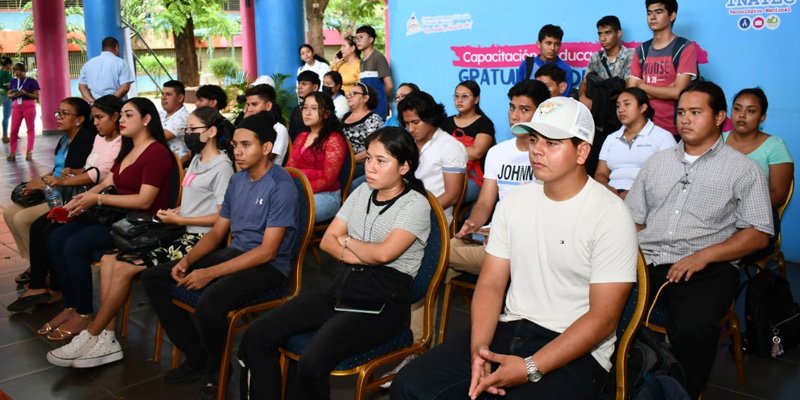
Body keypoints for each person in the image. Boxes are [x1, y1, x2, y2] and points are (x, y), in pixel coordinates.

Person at [392, 97, 638, 399]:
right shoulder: (515, 203)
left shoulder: (610, 214)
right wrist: (479, 350)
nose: (537, 150)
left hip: (576, 345)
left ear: (582, 152)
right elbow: (492, 283)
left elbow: (603, 319)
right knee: (411, 386)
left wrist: (530, 367)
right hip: (510, 327)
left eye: (552, 143)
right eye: (534, 139)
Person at [238, 127, 431, 400]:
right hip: (345, 286)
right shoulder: (363, 190)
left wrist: (348, 241)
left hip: (384, 302)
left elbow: (383, 255)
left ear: (404, 167)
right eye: (370, 159)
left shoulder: (415, 205)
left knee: (312, 361)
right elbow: (328, 241)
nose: (371, 167)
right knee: (258, 335)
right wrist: (356, 249)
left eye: (381, 161)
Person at [46, 106, 234, 368]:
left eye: (193, 130)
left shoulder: (223, 166)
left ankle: (93, 333)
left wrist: (181, 219)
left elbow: (221, 217)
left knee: (122, 268)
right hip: (179, 230)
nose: (187, 134)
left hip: (198, 239)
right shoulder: (196, 160)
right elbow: (195, 203)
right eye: (186, 129)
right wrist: (177, 212)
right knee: (111, 261)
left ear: (211, 132)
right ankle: (106, 339)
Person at [625, 81, 773, 399]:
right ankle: (624, 383)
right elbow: (633, 218)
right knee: (599, 309)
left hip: (707, 265)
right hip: (648, 259)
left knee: (692, 329)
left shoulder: (743, 170)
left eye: (695, 112)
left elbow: (759, 233)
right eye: (681, 113)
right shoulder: (658, 162)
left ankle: (683, 393)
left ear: (720, 117)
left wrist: (704, 256)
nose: (685, 120)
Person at [141, 111, 298, 399]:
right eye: (235, 144)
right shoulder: (238, 181)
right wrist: (187, 262)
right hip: (235, 253)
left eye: (246, 145)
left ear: (266, 148)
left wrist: (208, 273)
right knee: (155, 278)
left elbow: (267, 251)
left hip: (269, 267)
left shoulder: (281, 186)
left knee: (210, 303)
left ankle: (217, 369)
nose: (237, 151)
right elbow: (216, 233)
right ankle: (197, 355)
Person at [41, 98, 174, 343]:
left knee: (73, 245)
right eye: (121, 115)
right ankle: (70, 305)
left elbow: (145, 201)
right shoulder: (128, 147)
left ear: (146, 120)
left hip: (140, 225)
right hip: (116, 217)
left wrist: (98, 201)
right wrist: (81, 199)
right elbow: (107, 182)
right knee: (55, 236)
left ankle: (83, 312)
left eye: (128, 115)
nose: (121, 120)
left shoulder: (157, 153)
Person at [8, 95, 123, 313]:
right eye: (57, 113)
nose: (95, 122)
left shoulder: (102, 140)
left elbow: (99, 177)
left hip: (91, 201)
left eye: (98, 117)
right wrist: (60, 178)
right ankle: (45, 279)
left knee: (48, 230)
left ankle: (66, 298)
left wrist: (64, 181)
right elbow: (92, 171)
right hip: (80, 194)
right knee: (36, 223)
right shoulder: (97, 138)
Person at [449, 79, 550, 279]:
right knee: (449, 246)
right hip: (495, 234)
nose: (515, 116)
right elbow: (486, 202)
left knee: (437, 255)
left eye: (524, 109)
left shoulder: (548, 155)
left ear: (540, 113)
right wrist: (473, 222)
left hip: (530, 241)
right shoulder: (498, 152)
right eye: (512, 107)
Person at [627, 0, 698, 136]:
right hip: (644, 128)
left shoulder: (684, 48)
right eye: (649, 13)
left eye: (659, 12)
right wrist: (667, 89)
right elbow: (632, 92)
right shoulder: (641, 50)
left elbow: (679, 93)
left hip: (675, 130)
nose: (652, 17)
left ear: (672, 16)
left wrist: (643, 86)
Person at [399, 90, 466, 224]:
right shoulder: (406, 142)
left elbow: (452, 196)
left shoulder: (450, 147)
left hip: (433, 216)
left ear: (430, 118)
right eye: (407, 124)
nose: (411, 129)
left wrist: (417, 214)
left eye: (415, 122)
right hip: (402, 210)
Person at [594, 87, 675, 197]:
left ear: (643, 108)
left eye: (627, 104)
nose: (621, 109)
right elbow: (600, 174)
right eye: (618, 106)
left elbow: (670, 175)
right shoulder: (611, 138)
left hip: (648, 196)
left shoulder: (663, 137)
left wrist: (636, 194)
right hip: (611, 197)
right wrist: (607, 190)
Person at [724, 88, 794, 209]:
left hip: (757, 215)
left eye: (751, 111)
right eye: (737, 109)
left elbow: (778, 196)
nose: (741, 115)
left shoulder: (775, 147)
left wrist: (734, 207)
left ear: (762, 117)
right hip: (716, 216)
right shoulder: (717, 140)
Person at [286, 92, 347, 222]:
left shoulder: (334, 140)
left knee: (287, 211)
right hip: (297, 192)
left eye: (314, 108)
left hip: (326, 196)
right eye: (305, 107)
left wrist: (299, 192)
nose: (307, 112)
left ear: (326, 113)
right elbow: (289, 169)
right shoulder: (301, 136)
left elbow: (328, 179)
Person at [441, 80, 495, 204]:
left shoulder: (484, 123)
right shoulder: (446, 122)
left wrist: (447, 151)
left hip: (474, 177)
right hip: (446, 173)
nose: (459, 100)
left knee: (447, 195)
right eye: (456, 96)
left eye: (465, 96)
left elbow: (476, 153)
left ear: (476, 99)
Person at [579, 15, 634, 110]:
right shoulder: (596, 57)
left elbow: (628, 88)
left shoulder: (630, 55)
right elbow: (584, 83)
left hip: (620, 110)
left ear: (619, 33)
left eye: (608, 33)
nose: (603, 38)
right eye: (600, 34)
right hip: (597, 112)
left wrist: (599, 101)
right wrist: (582, 97)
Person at [517, 24, 573, 96]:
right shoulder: (527, 65)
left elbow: (565, 99)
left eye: (557, 44)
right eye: (548, 43)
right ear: (538, 44)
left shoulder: (565, 69)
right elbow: (518, 93)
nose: (552, 48)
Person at [342, 82, 384, 178]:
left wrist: (351, 160)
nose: (349, 96)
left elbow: (375, 148)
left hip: (361, 164)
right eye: (349, 94)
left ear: (365, 98)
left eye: (355, 93)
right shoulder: (343, 117)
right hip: (343, 161)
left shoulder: (373, 119)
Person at [242, 84, 290, 165]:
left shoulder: (279, 129)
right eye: (248, 105)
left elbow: (264, 160)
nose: (249, 109)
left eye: (254, 104)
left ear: (268, 106)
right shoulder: (251, 125)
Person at [78, 36, 135, 102]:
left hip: (95, 107)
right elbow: (125, 87)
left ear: (102, 48)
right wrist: (110, 102)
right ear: (117, 47)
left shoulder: (88, 64)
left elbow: (82, 86)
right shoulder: (121, 63)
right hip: (116, 105)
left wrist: (93, 102)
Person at [355, 25, 393, 119]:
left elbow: (389, 85)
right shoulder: (362, 61)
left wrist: (384, 101)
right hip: (367, 107)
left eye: (361, 37)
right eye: (356, 38)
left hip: (379, 108)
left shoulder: (378, 57)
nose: (358, 41)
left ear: (371, 39)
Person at [6, 62, 40, 161]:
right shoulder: (13, 81)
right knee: (13, 130)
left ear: (24, 71)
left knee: (30, 129)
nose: (18, 73)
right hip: (16, 107)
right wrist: (13, 95)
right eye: (16, 71)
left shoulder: (32, 81)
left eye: (20, 71)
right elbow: (8, 95)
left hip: (29, 106)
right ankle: (12, 152)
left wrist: (26, 93)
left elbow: (36, 96)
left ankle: (29, 152)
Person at [159, 80, 191, 164]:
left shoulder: (184, 117)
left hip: (177, 166)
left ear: (180, 98)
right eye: (162, 94)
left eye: (168, 94)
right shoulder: (160, 113)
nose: (163, 97)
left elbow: (159, 136)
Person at [289, 70, 321, 141]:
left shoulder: (322, 108)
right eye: (299, 83)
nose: (299, 87)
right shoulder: (296, 110)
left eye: (304, 84)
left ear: (315, 87)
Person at [1, 56, 13, 143]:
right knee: (6, 117)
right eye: (11, 65)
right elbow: (9, 86)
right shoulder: (6, 74)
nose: (11, 67)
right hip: (5, 96)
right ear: (8, 64)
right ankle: (5, 136)